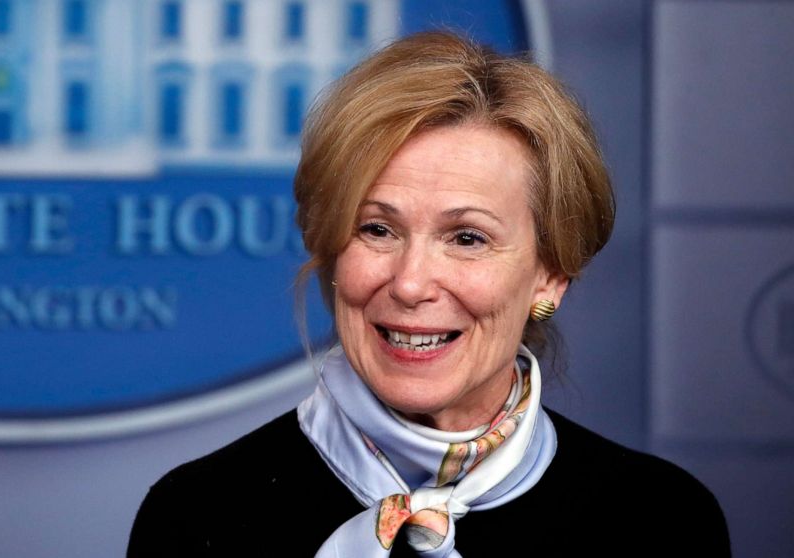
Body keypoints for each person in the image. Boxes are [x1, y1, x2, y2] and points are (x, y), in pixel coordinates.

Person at [128, 31, 730, 557]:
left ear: (550, 275)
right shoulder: (195, 516)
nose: (411, 283)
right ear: (333, 249)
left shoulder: (660, 519)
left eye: (467, 238)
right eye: (377, 229)